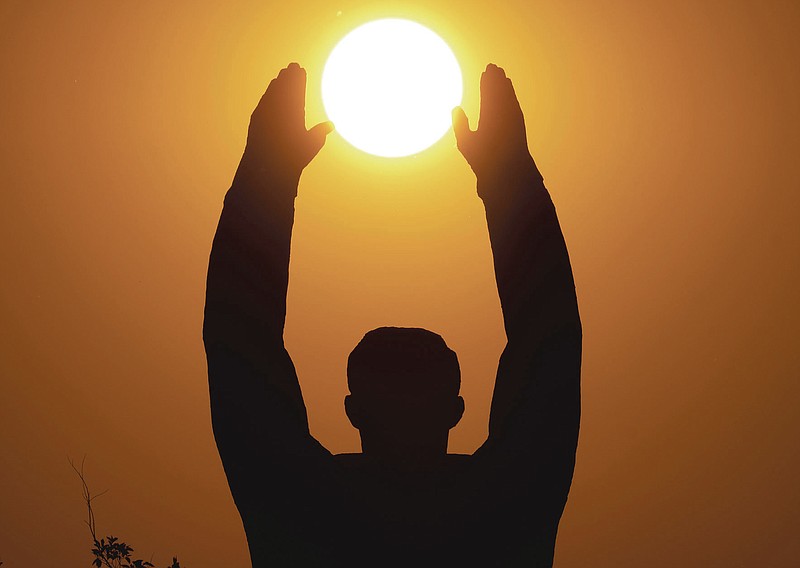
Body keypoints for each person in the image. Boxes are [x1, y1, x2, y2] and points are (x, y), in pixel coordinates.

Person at [203, 62, 581, 567]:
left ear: (354, 411)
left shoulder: (303, 507)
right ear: (456, 411)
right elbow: (548, 348)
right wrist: (508, 176)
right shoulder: (508, 506)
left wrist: (268, 177)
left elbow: (240, 346)